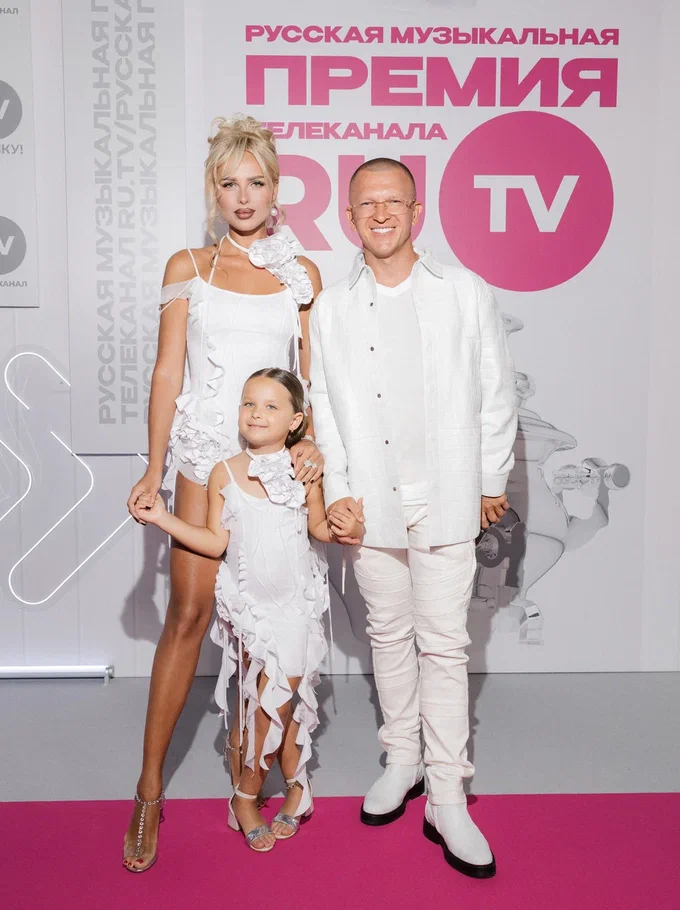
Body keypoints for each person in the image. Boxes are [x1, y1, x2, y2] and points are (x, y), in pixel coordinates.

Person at [123, 115, 325, 872]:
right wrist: (153, 468)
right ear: (214, 191)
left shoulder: (301, 275)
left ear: (275, 190)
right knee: (188, 616)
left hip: (270, 474)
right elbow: (167, 371)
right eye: (229, 183)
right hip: (202, 460)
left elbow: (311, 379)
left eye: (257, 182)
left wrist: (309, 451)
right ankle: (148, 790)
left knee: (262, 632)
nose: (243, 196)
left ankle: (251, 782)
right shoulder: (188, 266)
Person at [309, 158, 517, 879]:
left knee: (445, 646)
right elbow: (324, 407)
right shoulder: (332, 307)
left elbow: (496, 388)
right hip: (369, 500)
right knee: (387, 635)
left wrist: (490, 480)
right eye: (366, 204)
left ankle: (448, 796)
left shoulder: (463, 289)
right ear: (349, 217)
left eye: (393, 201)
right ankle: (402, 760)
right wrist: (338, 491)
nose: (380, 213)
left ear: (416, 210)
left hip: (448, 494)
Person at [139, 369, 364, 853]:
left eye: (270, 406)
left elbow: (319, 528)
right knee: (271, 707)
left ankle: (252, 794)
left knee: (277, 705)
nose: (256, 414)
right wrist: (163, 519)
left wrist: (346, 526)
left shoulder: (304, 470)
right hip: (250, 611)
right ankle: (288, 790)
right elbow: (214, 541)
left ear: (296, 420)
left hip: (296, 608)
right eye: (249, 404)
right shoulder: (223, 471)